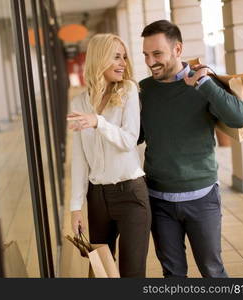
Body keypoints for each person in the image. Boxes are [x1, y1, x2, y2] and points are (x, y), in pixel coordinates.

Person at [139, 20, 243, 278]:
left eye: (157, 54)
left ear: (177, 49)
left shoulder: (203, 83)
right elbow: (136, 136)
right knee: (173, 274)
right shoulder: (144, 90)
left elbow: (240, 119)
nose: (150, 61)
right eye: (146, 54)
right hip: (159, 200)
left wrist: (205, 84)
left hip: (202, 198)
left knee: (212, 270)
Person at [68, 34, 151, 278]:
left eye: (124, 57)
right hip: (97, 199)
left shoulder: (128, 91)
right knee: (100, 272)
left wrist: (98, 122)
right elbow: (80, 158)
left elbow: (129, 140)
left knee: (131, 274)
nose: (123, 63)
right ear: (99, 58)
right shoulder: (80, 102)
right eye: (116, 56)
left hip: (131, 195)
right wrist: (75, 208)